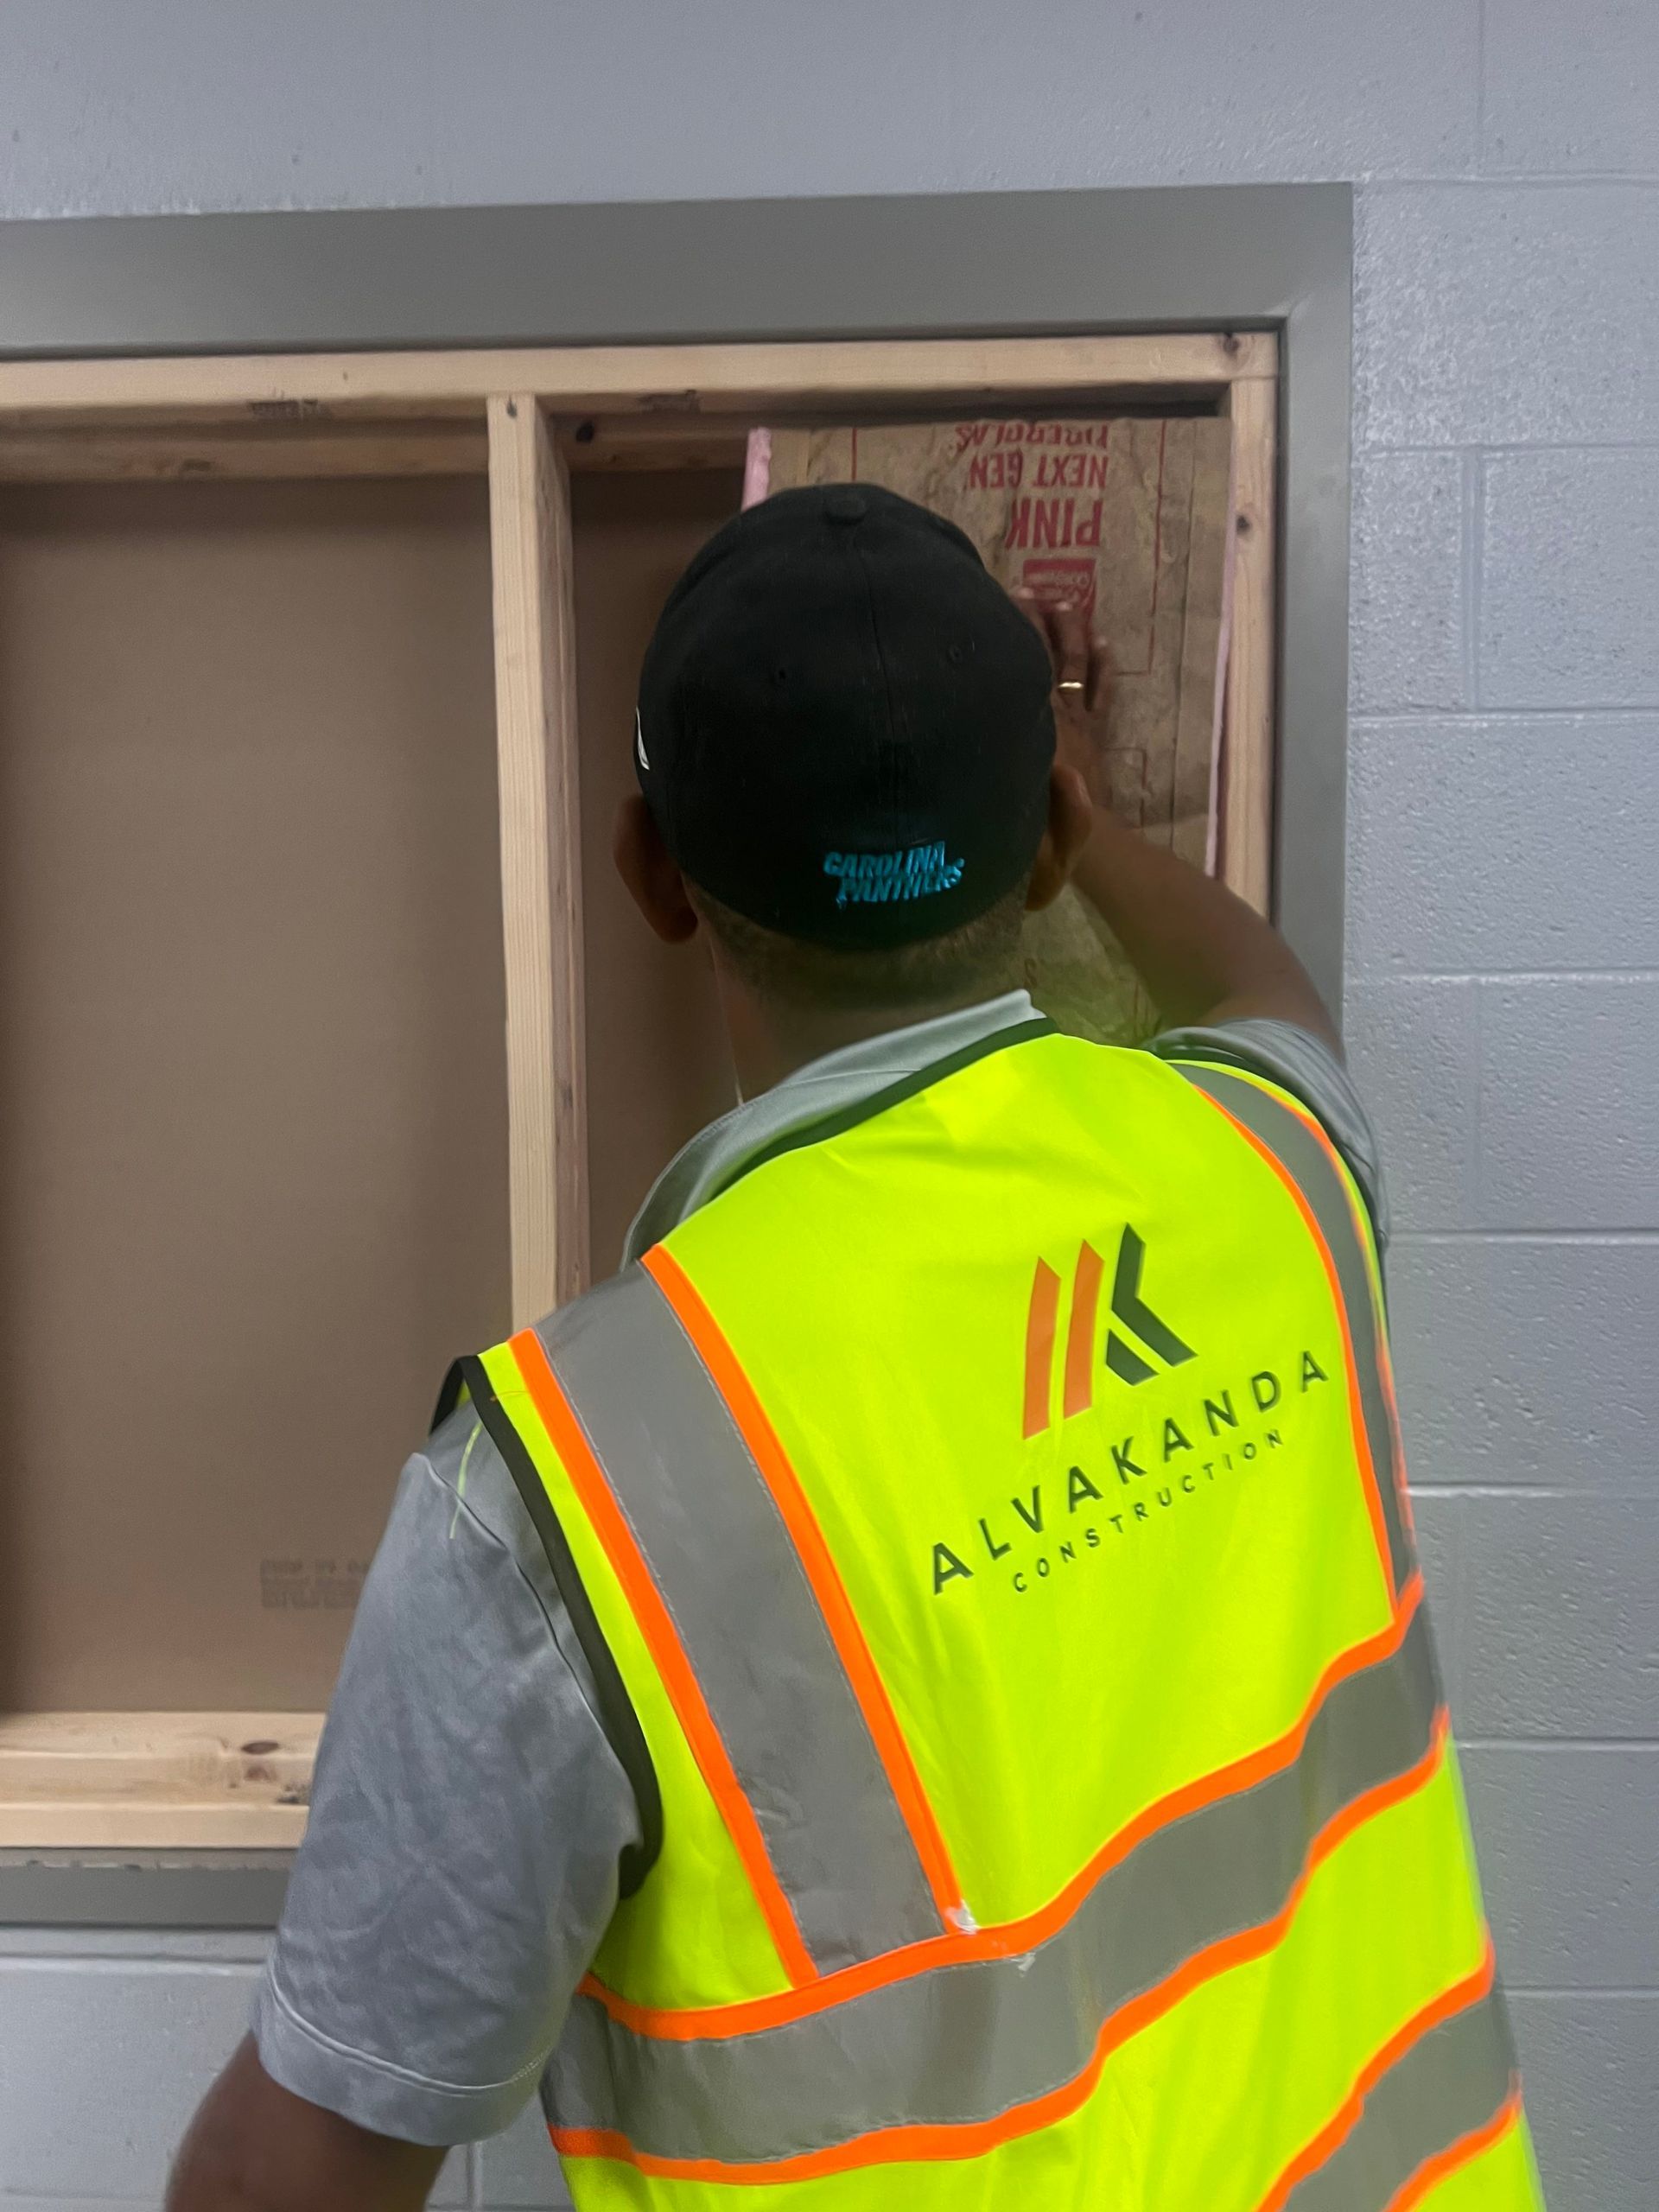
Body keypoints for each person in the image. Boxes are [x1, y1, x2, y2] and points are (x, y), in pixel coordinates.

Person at [169, 485, 1543, 2210]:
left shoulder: (556, 1499)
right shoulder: (1278, 1177)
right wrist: (1090, 829)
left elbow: (284, 2179)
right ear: (1043, 838)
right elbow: (1257, 985)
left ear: (648, 873)